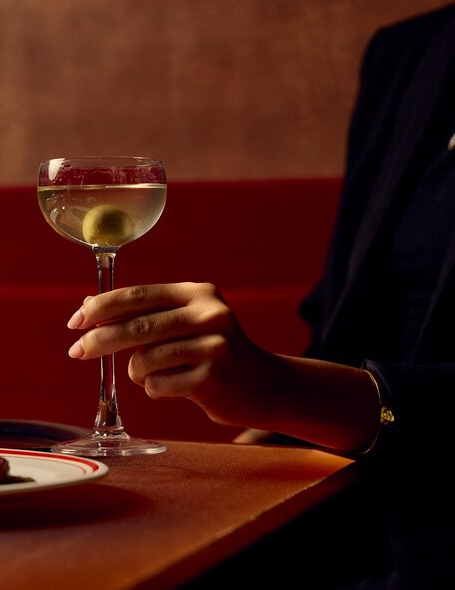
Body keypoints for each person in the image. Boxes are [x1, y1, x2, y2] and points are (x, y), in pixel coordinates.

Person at [64, 6, 454, 588]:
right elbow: (341, 322)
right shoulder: (408, 54)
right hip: (342, 508)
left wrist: (277, 390)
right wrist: (231, 469)